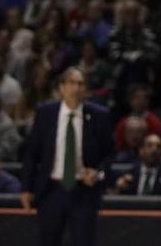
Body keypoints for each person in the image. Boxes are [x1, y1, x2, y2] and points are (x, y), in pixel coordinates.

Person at [20, 67, 114, 246]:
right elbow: (32, 152)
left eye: (80, 84)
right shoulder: (46, 113)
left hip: (84, 192)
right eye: (71, 83)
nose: (76, 88)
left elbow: (110, 154)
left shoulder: (98, 115)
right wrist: (26, 188)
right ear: (61, 87)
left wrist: (98, 173)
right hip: (51, 189)